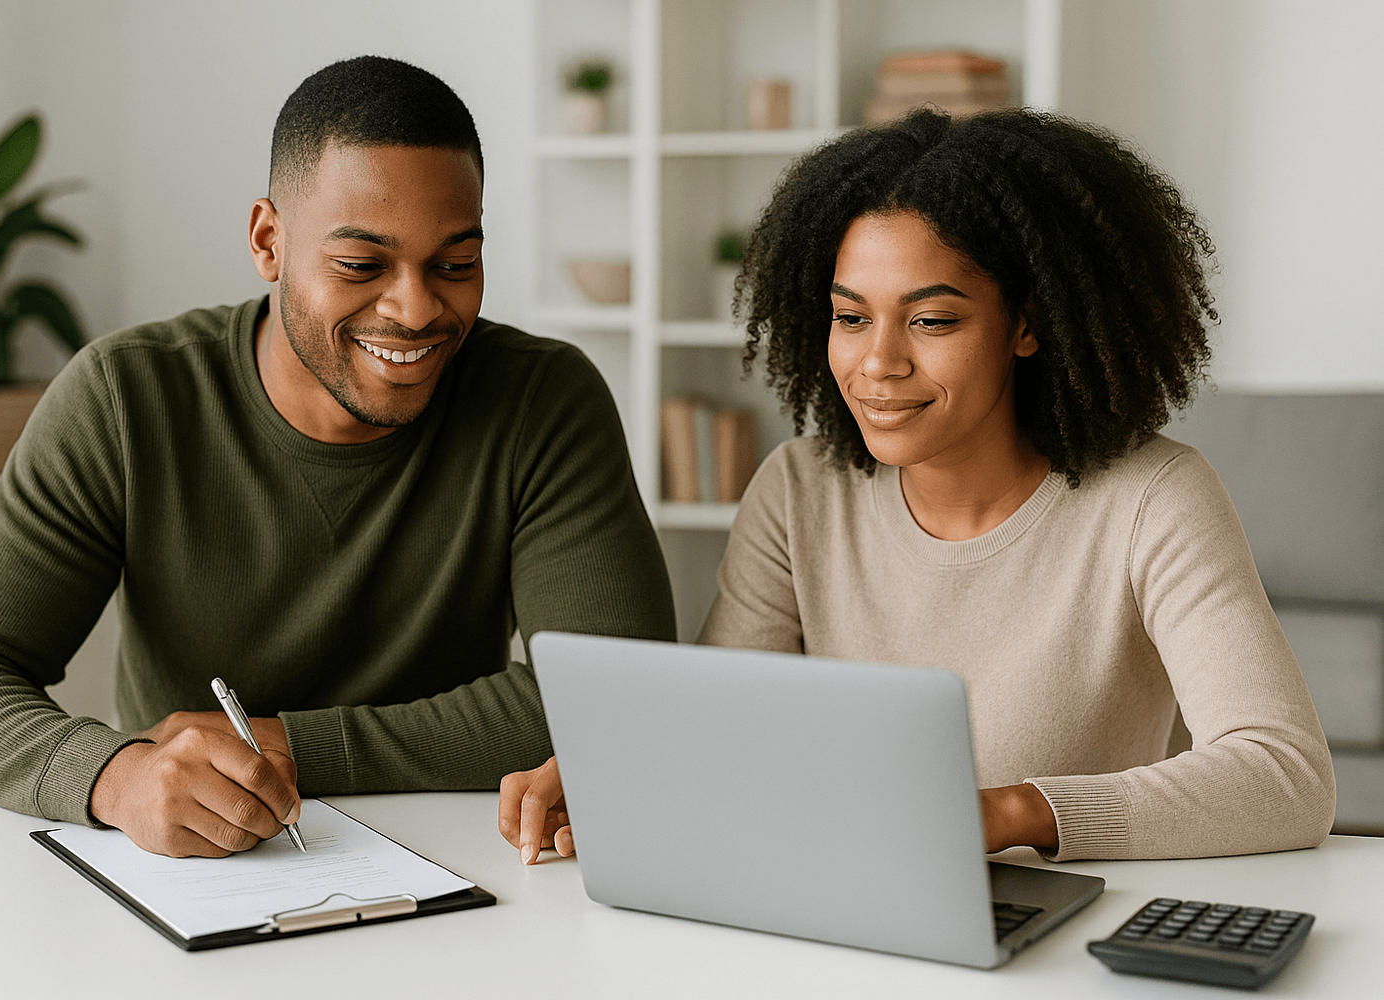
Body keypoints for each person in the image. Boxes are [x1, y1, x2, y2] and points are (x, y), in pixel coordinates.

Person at [500, 107, 1335, 865]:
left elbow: (1286, 776)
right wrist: (614, 769)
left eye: (933, 321)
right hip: (849, 903)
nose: (878, 364)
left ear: (1029, 323)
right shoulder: (799, 490)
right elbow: (723, 731)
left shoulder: (1155, 498)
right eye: (851, 317)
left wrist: (1009, 813)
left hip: (1069, 938)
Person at [0, 56, 675, 858]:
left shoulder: (542, 400)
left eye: (455, 264)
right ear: (269, 241)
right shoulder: (126, 399)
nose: (417, 308)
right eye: (361, 266)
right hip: (203, 874)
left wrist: (299, 747)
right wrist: (117, 775)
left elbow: (613, 696)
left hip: (472, 864)